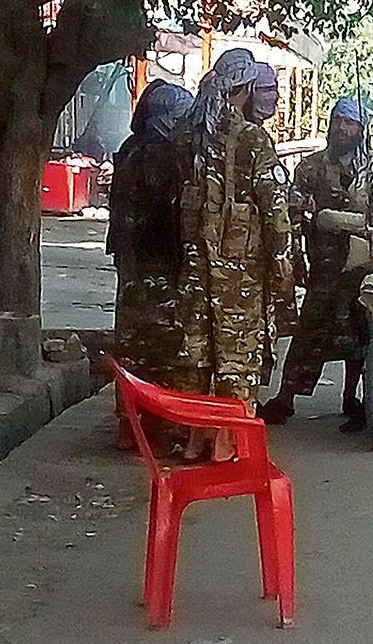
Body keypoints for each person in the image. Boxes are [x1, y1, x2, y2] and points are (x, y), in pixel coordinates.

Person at [174, 49, 293, 461]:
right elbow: (274, 206)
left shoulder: (192, 133)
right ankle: (228, 443)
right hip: (238, 266)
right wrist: (283, 258)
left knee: (197, 348)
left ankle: (194, 438)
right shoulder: (251, 138)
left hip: (194, 260)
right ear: (243, 90)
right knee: (237, 353)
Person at [258, 98, 373, 431]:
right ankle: (286, 398)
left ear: (362, 129)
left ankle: (354, 399)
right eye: (338, 120)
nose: (343, 128)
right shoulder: (310, 168)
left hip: (364, 265)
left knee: (362, 333)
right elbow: (294, 216)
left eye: (351, 122)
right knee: (310, 329)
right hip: (324, 264)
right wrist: (296, 258)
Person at [105, 80, 195, 456]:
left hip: (132, 262)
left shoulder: (130, 149)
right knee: (160, 350)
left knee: (132, 346)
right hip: (155, 263)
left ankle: (133, 428)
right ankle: (158, 432)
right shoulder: (161, 157)